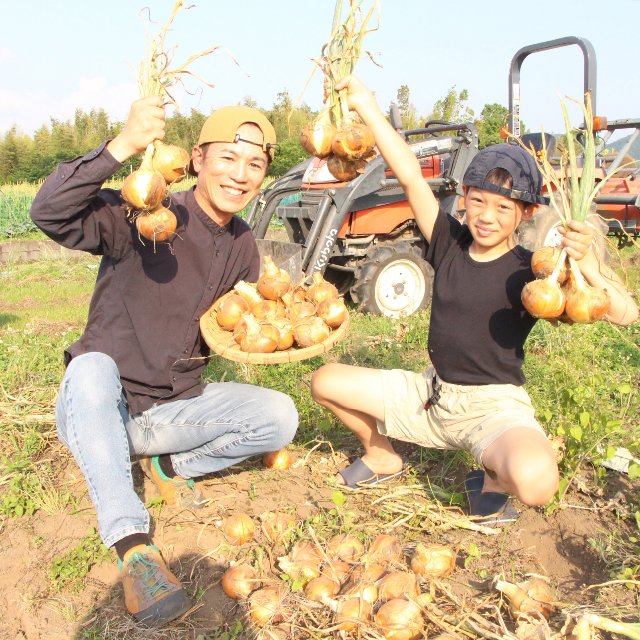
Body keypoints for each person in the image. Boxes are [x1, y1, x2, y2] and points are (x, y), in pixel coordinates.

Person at [311, 76, 638, 523]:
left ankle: (493, 476)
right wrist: (366, 105)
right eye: (477, 200)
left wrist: (594, 269)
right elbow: (408, 172)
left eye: (503, 208)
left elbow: (626, 314)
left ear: (526, 213)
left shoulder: (535, 272)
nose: (486, 216)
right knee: (325, 382)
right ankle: (382, 454)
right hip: (431, 393)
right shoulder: (448, 241)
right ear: (463, 198)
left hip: (494, 408)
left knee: (538, 482)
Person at [30, 96, 298, 627]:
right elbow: (49, 212)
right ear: (197, 158)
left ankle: (166, 466)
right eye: (228, 157)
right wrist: (122, 146)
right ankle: (135, 549)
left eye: (255, 164)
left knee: (280, 416)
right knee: (89, 368)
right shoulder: (147, 212)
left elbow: (232, 323)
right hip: (100, 403)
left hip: (171, 410)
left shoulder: (245, 245)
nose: (240, 174)